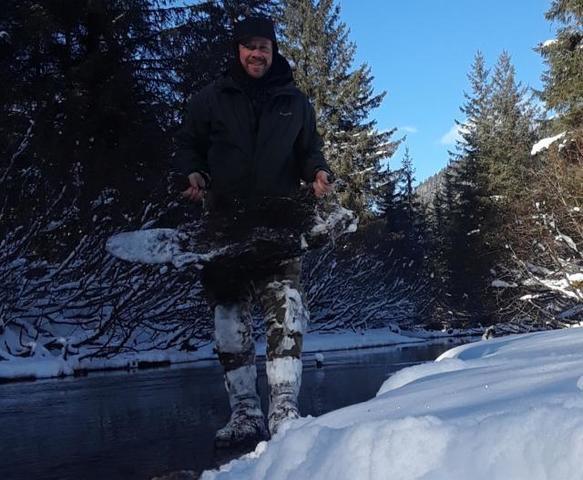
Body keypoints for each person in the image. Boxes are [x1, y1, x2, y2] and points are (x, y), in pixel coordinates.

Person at [172, 16, 333, 447]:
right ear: (237, 50)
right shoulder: (210, 99)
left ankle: (284, 409)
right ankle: (245, 411)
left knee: (288, 309)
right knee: (228, 317)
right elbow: (188, 146)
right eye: (249, 46)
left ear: (273, 50)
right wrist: (192, 173)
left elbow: (310, 151)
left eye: (264, 46)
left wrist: (318, 172)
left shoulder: (296, 102)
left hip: (280, 223)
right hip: (223, 225)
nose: (257, 54)